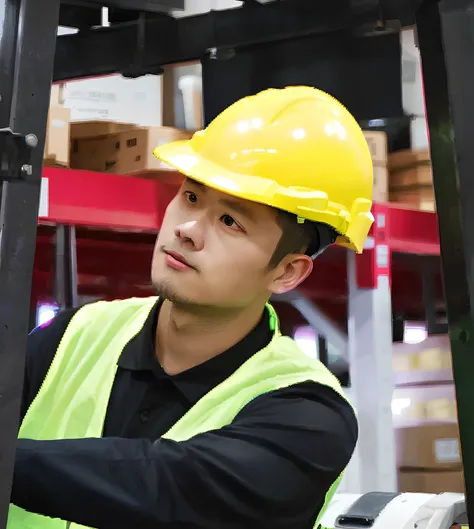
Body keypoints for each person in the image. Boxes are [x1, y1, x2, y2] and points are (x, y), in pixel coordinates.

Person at [8, 86, 373, 529]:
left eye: (230, 222)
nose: (187, 229)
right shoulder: (76, 336)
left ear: (287, 272)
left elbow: (171, 486)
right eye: (192, 197)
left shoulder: (309, 414)